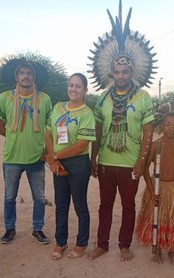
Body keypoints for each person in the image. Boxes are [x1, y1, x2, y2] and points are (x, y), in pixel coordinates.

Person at [87, 1, 157, 261]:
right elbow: (97, 129)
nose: (121, 75)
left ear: (132, 71)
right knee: (105, 206)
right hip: (106, 162)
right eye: (116, 71)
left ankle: (124, 244)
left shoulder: (142, 96)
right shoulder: (103, 97)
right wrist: (93, 159)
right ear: (111, 72)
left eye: (125, 71)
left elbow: (148, 130)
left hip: (130, 164)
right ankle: (102, 244)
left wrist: (141, 162)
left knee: (128, 206)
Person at [0, 58, 52, 244]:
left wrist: (45, 151)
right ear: (16, 76)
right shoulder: (5, 97)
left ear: (34, 76)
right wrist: (15, 140)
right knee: (9, 196)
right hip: (12, 157)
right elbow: (0, 126)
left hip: (37, 157)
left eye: (29, 73)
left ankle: (38, 229)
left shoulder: (44, 99)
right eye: (22, 73)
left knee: (40, 197)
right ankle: (9, 229)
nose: (26, 76)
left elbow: (49, 128)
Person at [45, 73, 96, 260]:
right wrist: (54, 161)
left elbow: (82, 145)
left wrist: (55, 155)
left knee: (80, 205)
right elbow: (48, 133)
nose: (73, 89)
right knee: (61, 205)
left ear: (85, 90)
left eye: (78, 86)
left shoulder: (86, 113)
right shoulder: (58, 107)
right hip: (58, 163)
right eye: (71, 85)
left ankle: (82, 243)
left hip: (78, 164)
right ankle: (61, 242)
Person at [136, 102, 174, 264]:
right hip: (157, 188)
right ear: (162, 126)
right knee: (156, 219)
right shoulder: (155, 145)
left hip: (172, 189)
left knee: (171, 219)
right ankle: (157, 248)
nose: (171, 128)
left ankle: (171, 248)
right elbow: (144, 169)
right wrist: (151, 191)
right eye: (168, 124)